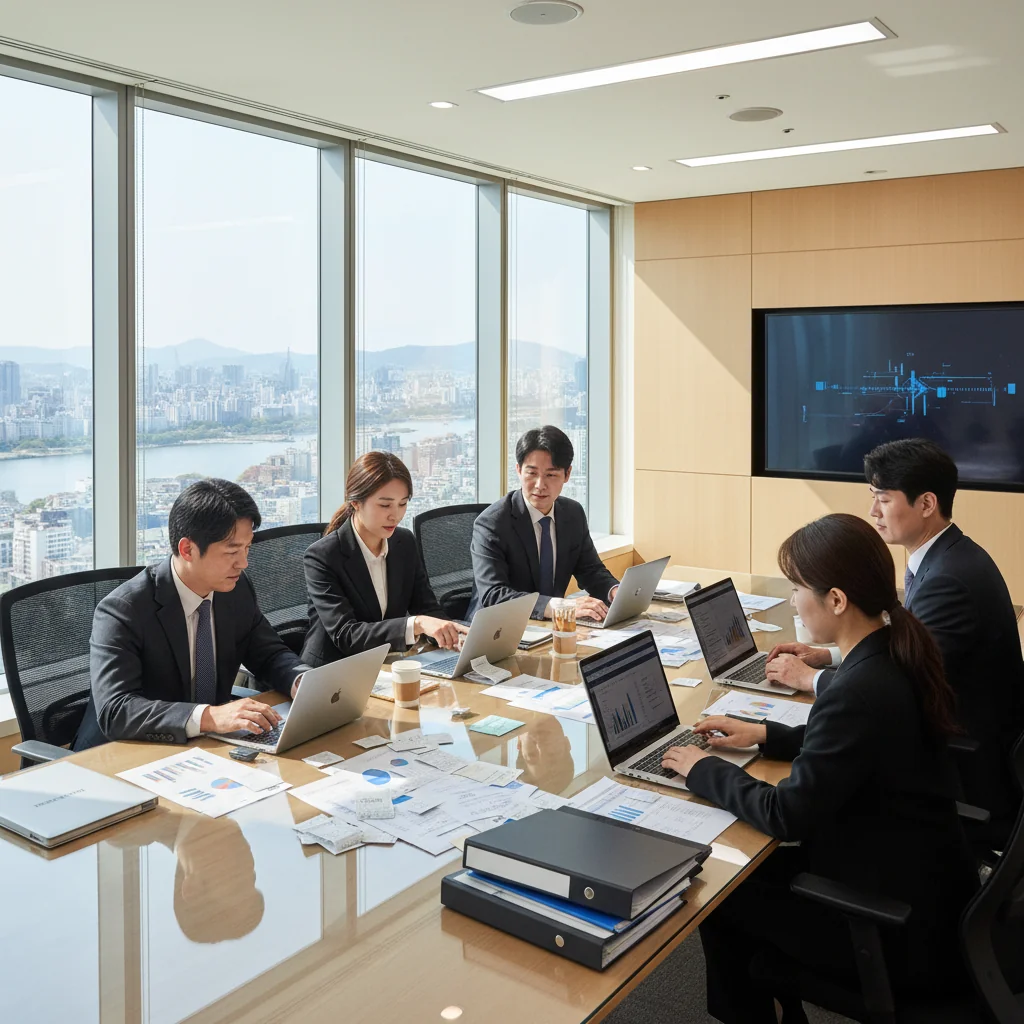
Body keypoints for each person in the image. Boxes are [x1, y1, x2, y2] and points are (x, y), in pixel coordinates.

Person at [661, 513, 977, 1023]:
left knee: (718, 900)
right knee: (743, 884)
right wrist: (766, 735)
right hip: (927, 889)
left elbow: (787, 815)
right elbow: (856, 746)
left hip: (893, 927)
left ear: (835, 600)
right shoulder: (890, 652)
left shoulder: (858, 687)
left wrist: (702, 769)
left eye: (796, 587)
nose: (792, 601)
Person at [766, 438, 1024, 834]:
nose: (873, 511)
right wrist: (829, 656)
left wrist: (808, 679)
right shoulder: (948, 556)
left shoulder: (949, 580)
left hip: (969, 770)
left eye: (884, 499)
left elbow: (902, 682)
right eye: (872, 497)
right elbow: (906, 643)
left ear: (926, 504)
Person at [73, 479, 305, 750]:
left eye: (247, 548)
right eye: (232, 551)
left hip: (203, 747)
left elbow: (269, 653)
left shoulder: (235, 589)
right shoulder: (124, 610)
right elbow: (116, 710)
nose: (243, 563)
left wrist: (302, 681)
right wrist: (209, 716)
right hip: (123, 755)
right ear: (187, 550)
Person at [301, 451, 467, 665]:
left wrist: (456, 634)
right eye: (385, 505)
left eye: (403, 504)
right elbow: (347, 635)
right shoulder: (322, 557)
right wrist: (416, 624)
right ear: (356, 503)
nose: (395, 515)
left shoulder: (404, 542)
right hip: (333, 675)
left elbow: (426, 608)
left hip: (386, 667)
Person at [467, 426, 619, 621]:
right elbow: (494, 594)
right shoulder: (492, 524)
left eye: (551, 475)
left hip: (549, 626)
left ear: (567, 474)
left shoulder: (573, 514)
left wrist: (614, 591)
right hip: (498, 630)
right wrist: (560, 606)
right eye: (531, 473)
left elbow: (590, 570)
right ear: (519, 470)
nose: (540, 485)